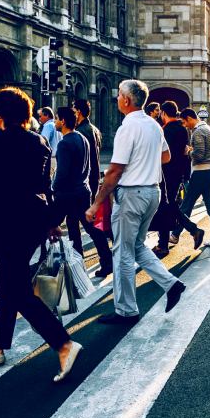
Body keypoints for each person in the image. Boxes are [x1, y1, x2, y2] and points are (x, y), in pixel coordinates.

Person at [0, 88, 81, 382]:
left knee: (15, 287)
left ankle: (63, 343)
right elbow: (46, 183)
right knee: (9, 279)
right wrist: (52, 222)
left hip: (8, 221)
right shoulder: (38, 140)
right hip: (35, 219)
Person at [85, 79, 186, 324]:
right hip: (152, 192)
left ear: (126, 100)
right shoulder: (153, 125)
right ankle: (171, 284)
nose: (117, 98)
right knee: (138, 246)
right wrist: (145, 162)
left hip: (131, 194)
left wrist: (96, 203)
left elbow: (115, 171)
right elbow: (166, 156)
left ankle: (126, 310)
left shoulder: (127, 128)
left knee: (122, 253)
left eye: (119, 94)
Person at [52, 107, 113, 273]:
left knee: (49, 225)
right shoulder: (81, 138)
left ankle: (69, 264)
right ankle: (106, 261)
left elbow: (62, 172)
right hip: (82, 191)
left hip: (66, 194)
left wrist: (54, 188)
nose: (55, 121)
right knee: (88, 228)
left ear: (63, 121)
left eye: (57, 118)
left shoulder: (64, 143)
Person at [153, 101, 204, 257]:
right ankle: (165, 242)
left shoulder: (165, 131)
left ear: (163, 113)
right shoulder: (183, 130)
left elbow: (162, 154)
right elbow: (184, 153)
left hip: (166, 174)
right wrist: (185, 174)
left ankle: (190, 231)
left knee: (166, 206)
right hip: (178, 174)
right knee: (168, 206)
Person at [174, 107, 210, 248]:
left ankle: (174, 235)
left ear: (190, 118)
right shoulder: (209, 129)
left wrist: (189, 151)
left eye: (184, 122)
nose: (185, 125)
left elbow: (199, 154)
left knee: (187, 204)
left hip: (201, 172)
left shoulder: (198, 131)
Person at [73, 99, 103, 200]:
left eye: (73, 109)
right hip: (94, 177)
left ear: (78, 111)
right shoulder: (94, 129)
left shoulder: (80, 131)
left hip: (85, 181)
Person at [39, 107, 62, 176]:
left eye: (40, 116)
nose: (39, 118)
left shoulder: (48, 126)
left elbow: (43, 143)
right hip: (58, 159)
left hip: (51, 159)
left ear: (47, 116)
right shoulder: (56, 125)